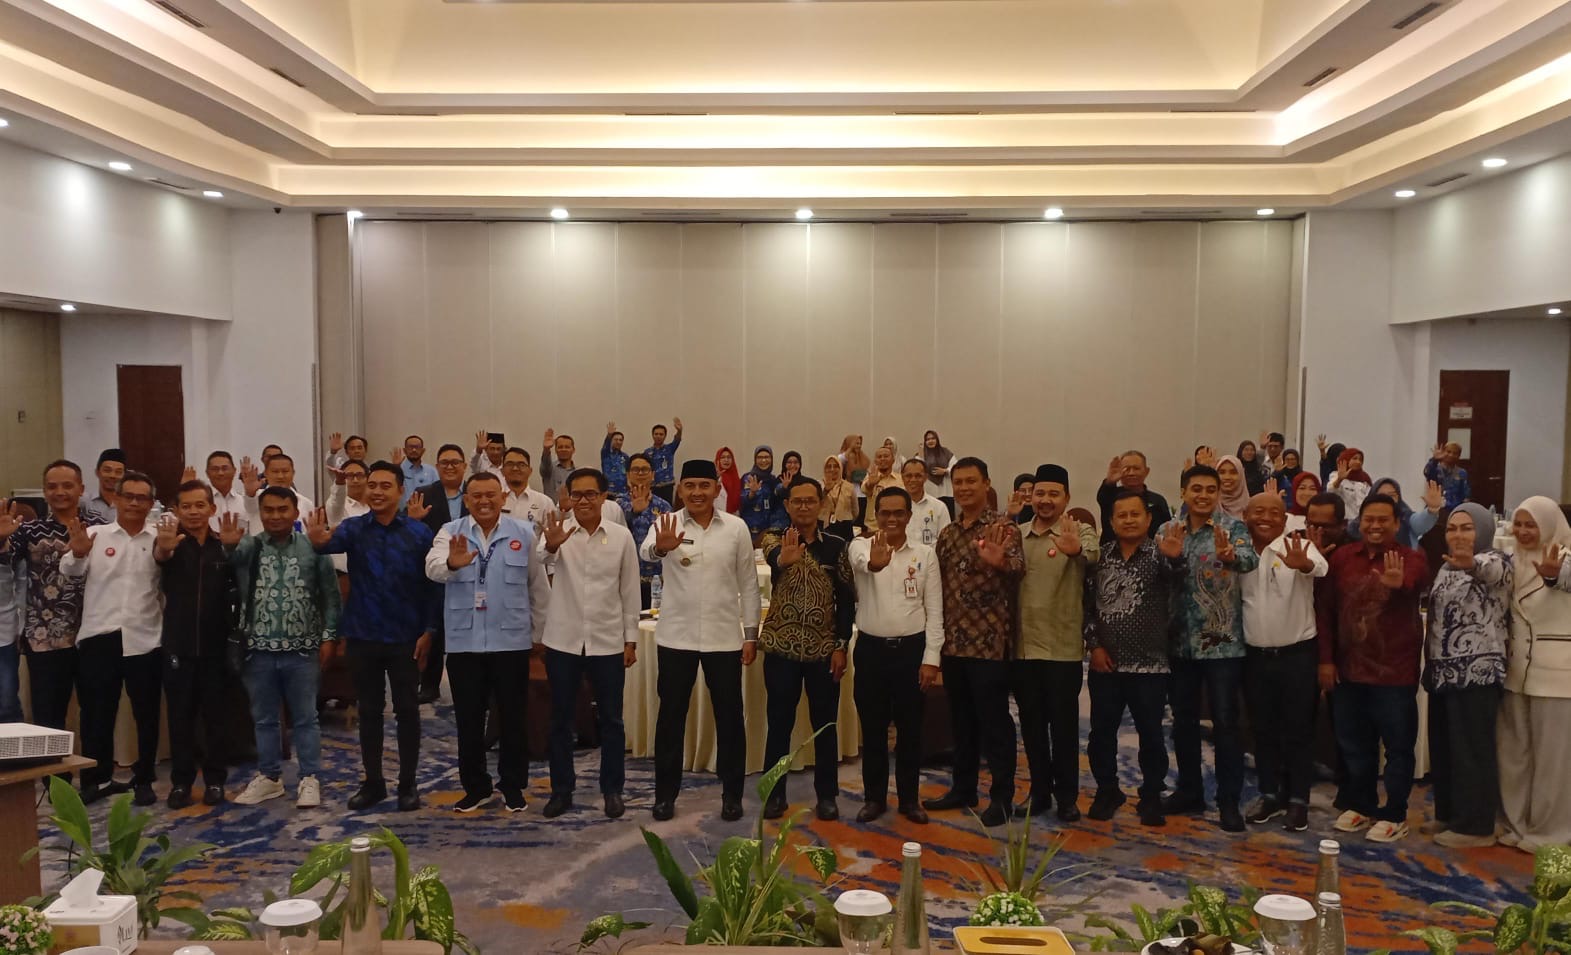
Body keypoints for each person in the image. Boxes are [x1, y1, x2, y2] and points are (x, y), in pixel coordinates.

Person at [308, 461, 439, 812]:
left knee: (407, 711)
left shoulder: (419, 533)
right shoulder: (354, 528)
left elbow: (431, 587)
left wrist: (429, 631)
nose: (377, 491)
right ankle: (373, 783)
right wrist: (316, 540)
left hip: (405, 636)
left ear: (401, 491)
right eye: (372, 485)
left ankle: (408, 784)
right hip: (362, 634)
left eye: (385, 486)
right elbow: (324, 545)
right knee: (368, 712)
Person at [640, 459, 762, 822]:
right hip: (676, 637)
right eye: (690, 485)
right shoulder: (667, 522)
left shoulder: (736, 528)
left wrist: (751, 634)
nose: (697, 492)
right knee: (670, 719)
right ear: (680, 489)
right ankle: (665, 796)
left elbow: (749, 584)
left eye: (704, 485)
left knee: (730, 719)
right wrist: (661, 549)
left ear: (716, 490)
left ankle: (732, 795)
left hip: (724, 639)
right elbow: (646, 551)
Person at [425, 471, 547, 814]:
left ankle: (513, 786)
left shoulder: (523, 533)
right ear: (466, 500)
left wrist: (540, 636)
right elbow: (431, 567)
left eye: (490, 495)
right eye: (476, 495)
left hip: (511, 641)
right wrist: (452, 563)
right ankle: (475, 787)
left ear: (503, 498)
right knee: (468, 719)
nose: (484, 501)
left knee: (512, 718)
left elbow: (538, 587)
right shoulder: (450, 532)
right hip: (464, 642)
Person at [1316, 493, 1428, 843]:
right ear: (1359, 522)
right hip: (1349, 670)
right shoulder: (1343, 558)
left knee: (1397, 747)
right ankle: (1361, 805)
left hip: (1394, 672)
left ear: (1397, 523)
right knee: (1355, 744)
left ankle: (1394, 813)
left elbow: (1416, 581)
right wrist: (1326, 659)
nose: (1375, 526)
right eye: (1369, 519)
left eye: (1383, 520)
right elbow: (1326, 610)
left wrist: (1399, 584)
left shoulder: (1411, 557)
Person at [1159, 464, 1259, 832]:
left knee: (1225, 723)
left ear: (1218, 494)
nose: (1203, 495)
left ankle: (1229, 801)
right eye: (1196, 489)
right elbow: (1156, 575)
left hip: (1221, 644)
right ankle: (1190, 791)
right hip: (1179, 641)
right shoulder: (1168, 530)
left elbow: (1249, 560)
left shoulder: (1232, 528)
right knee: (1182, 721)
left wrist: (1230, 556)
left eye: (1210, 489)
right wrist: (1170, 559)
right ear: (1183, 492)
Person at [226, 487, 339, 809]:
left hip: (302, 650)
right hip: (257, 650)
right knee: (264, 720)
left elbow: (331, 597)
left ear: (295, 512)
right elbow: (227, 565)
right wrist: (228, 545)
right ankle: (269, 777)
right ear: (260, 513)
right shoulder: (249, 547)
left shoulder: (313, 548)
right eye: (269, 510)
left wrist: (329, 637)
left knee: (305, 718)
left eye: (282, 509)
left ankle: (309, 778)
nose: (275, 516)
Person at [927, 457, 1024, 827]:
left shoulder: (1003, 528)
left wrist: (1000, 562)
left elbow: (1018, 570)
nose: (965, 488)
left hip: (988, 644)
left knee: (994, 723)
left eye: (972, 481)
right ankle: (963, 788)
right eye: (959, 482)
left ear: (986, 484)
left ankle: (1001, 797)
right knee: (961, 721)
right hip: (953, 644)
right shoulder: (948, 533)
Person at [60, 470, 164, 806]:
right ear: (116, 498)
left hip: (145, 637)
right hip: (99, 635)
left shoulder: (159, 540)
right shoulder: (95, 534)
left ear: (151, 503)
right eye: (128, 496)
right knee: (96, 713)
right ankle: (96, 779)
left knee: (146, 713)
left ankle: (144, 778)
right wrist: (78, 553)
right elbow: (69, 571)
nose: (134, 503)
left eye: (141, 498)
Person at [539, 469, 639, 818]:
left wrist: (630, 639)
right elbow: (540, 559)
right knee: (560, 720)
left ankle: (612, 790)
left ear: (603, 497)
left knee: (611, 720)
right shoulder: (558, 531)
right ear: (568, 498)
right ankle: (561, 791)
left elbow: (630, 590)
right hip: (563, 640)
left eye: (590, 494)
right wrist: (552, 544)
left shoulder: (621, 536)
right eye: (576, 495)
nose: (583, 501)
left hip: (607, 640)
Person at [758, 478, 854, 821]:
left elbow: (846, 601)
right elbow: (773, 556)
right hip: (781, 650)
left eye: (809, 501)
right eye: (796, 501)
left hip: (823, 650)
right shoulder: (775, 538)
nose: (803, 506)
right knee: (778, 724)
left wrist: (841, 645)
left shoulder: (837, 547)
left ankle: (827, 796)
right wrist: (783, 559)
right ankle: (774, 795)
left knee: (824, 726)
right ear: (787, 505)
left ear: (821, 504)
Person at [1086, 490, 1183, 827]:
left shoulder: (1160, 554)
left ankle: (1151, 795)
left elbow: (1179, 583)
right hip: (1106, 665)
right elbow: (1087, 605)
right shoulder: (1100, 557)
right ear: (1112, 522)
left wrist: (1175, 560)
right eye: (1121, 515)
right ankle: (1107, 790)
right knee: (1101, 734)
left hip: (1150, 665)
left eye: (1135, 514)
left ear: (1148, 519)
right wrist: (1094, 646)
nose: (1128, 520)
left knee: (1152, 736)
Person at [848, 486, 943, 824]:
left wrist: (932, 658)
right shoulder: (860, 546)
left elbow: (935, 611)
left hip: (911, 653)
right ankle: (874, 798)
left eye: (898, 513)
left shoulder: (925, 555)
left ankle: (909, 800)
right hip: (871, 652)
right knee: (873, 730)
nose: (892, 519)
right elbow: (861, 562)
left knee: (910, 731)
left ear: (909, 515)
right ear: (876, 515)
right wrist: (875, 564)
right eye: (885, 513)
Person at [1422, 502, 1511, 848]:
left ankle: (1476, 827)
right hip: (1443, 673)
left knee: (1472, 751)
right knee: (1445, 750)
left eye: (1467, 528)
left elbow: (1490, 572)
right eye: (1452, 528)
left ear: (1484, 530)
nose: (1458, 535)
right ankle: (1449, 814)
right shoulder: (1446, 567)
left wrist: (1471, 563)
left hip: (1477, 673)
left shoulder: (1497, 560)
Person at [1013, 464, 1098, 821]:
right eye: (1040, 493)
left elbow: (1092, 555)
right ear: (1030, 497)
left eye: (1053, 494)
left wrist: (1075, 550)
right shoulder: (1017, 534)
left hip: (1062, 648)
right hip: (1023, 647)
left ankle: (1067, 797)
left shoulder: (1079, 529)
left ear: (1066, 497)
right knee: (1032, 727)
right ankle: (1039, 792)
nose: (1045, 500)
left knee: (1063, 728)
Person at [1239, 492, 1327, 833]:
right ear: (1246, 516)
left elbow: (1320, 567)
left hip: (1297, 656)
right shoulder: (1240, 552)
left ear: (1284, 518)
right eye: (1258, 511)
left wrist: (1302, 564)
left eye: (1273, 512)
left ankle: (1299, 800)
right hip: (1255, 658)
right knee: (1262, 730)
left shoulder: (1298, 544)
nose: (1265, 517)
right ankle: (1270, 794)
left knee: (1298, 730)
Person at [0, 463, 103, 738]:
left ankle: (95, 768)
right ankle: (52, 768)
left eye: (67, 485)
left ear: (81, 489)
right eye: (52, 486)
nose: (60, 492)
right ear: (44, 491)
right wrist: (0, 540)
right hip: (44, 637)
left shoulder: (100, 528)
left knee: (97, 713)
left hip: (92, 633)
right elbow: (6, 561)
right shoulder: (29, 530)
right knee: (48, 717)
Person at [155, 480, 241, 809]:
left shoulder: (223, 545)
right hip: (178, 645)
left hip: (217, 647)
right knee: (180, 719)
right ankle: (181, 783)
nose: (193, 512)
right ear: (176, 510)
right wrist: (164, 548)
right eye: (186, 506)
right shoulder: (171, 543)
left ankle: (216, 781)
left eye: (199, 505)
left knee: (216, 718)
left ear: (212, 508)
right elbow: (160, 556)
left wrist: (233, 552)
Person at [1499, 497, 1571, 852]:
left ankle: (1551, 833)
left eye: (1532, 525)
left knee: (1553, 762)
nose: (1524, 532)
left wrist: (1555, 576)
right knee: (1514, 755)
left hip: (1557, 677)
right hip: (1515, 673)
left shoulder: (1565, 556)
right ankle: (1516, 823)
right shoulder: (1511, 559)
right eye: (1519, 524)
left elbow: (1564, 578)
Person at [408, 445, 468, 704]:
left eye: (455, 462)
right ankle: (429, 684)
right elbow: (407, 533)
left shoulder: (475, 493)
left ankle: (468, 686)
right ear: (437, 466)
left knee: (466, 631)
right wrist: (413, 521)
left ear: (465, 466)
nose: (450, 467)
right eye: (444, 462)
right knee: (432, 629)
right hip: (431, 573)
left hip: (469, 572)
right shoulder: (423, 494)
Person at [618, 453, 673, 610]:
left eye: (645, 469)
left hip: (658, 581)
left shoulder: (664, 506)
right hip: (627, 579)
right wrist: (633, 511)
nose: (640, 473)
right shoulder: (618, 504)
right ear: (628, 475)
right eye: (636, 470)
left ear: (653, 474)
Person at [1096, 451, 1172, 544]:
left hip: (1151, 550)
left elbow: (1166, 529)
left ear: (1146, 471)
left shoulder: (1157, 501)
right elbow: (1102, 497)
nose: (1131, 473)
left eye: (1136, 468)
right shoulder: (1110, 496)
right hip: (1112, 551)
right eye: (1126, 469)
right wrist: (1110, 481)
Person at [242, 454, 314, 531]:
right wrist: (250, 492)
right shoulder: (255, 497)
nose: (280, 476)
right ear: (265, 473)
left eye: (285, 471)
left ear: (293, 473)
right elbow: (249, 504)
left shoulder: (306, 503)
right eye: (275, 471)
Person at [500, 447, 554, 529]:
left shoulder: (545, 502)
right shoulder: (493, 499)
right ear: (502, 471)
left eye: (521, 465)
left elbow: (551, 533)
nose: (515, 468)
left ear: (530, 471)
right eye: (510, 464)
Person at [900, 459, 950, 545]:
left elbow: (946, 540)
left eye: (918, 476)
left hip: (931, 553)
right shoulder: (894, 506)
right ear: (902, 477)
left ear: (925, 477)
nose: (913, 480)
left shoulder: (939, 507)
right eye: (908, 476)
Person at [741, 446, 785, 541]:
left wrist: (784, 489)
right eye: (760, 457)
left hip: (767, 530)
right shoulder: (748, 478)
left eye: (767, 457)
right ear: (755, 460)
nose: (763, 460)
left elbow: (776, 502)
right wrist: (752, 493)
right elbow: (741, 501)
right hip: (749, 528)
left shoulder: (773, 480)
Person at [204, 450, 249, 533]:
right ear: (207, 473)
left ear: (234, 471)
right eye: (215, 469)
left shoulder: (245, 502)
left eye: (225, 468)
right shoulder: (201, 504)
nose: (220, 473)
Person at [81, 448, 127, 523]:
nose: (112, 476)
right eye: (107, 470)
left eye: (118, 472)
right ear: (97, 472)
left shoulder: (129, 504)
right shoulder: (84, 501)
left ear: (124, 475)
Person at [820, 455, 859, 541]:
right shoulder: (819, 486)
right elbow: (816, 506)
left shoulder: (849, 487)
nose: (832, 469)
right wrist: (825, 491)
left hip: (845, 527)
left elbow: (855, 511)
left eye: (836, 466)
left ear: (840, 468)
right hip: (824, 526)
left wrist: (845, 518)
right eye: (829, 466)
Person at [646, 419, 684, 504]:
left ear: (665, 436)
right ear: (652, 435)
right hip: (653, 487)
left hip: (667, 486)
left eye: (661, 434)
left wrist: (679, 431)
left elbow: (677, 440)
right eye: (656, 434)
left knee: (667, 508)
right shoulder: (647, 452)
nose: (658, 436)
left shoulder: (670, 449)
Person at [1424, 442, 1471, 509]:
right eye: (1448, 452)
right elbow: (1427, 472)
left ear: (1459, 456)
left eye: (1455, 453)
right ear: (1443, 452)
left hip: (1454, 509)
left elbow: (1466, 495)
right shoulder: (1435, 469)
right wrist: (1434, 459)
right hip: (1435, 508)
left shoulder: (1462, 473)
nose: (1451, 455)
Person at [919, 430, 956, 516]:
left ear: (937, 440)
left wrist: (945, 471)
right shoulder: (922, 455)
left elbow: (955, 467)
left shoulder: (946, 452)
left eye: (933, 438)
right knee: (931, 518)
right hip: (930, 491)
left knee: (948, 517)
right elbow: (918, 469)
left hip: (946, 491)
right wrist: (921, 455)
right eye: (928, 439)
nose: (930, 441)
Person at [396, 435, 439, 505]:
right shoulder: (397, 469)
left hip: (427, 510)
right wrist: (395, 467)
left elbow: (438, 494)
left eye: (417, 447)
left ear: (423, 451)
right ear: (404, 450)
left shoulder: (432, 471)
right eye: (410, 447)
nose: (414, 450)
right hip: (402, 511)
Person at [1329, 447, 1372, 516]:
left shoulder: (1365, 479)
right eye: (1354, 458)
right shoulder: (1336, 475)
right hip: (1346, 520)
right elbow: (1331, 491)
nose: (1358, 462)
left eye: (1360, 460)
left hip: (1363, 518)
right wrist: (1339, 480)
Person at [539, 429, 577, 502]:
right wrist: (546, 449)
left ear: (573, 450)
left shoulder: (578, 473)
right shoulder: (549, 469)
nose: (563, 449)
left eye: (567, 447)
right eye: (560, 447)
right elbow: (545, 464)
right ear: (555, 450)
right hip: (551, 508)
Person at [1214, 455, 1250, 520]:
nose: (1227, 477)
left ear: (1241, 475)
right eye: (1222, 472)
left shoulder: (1252, 507)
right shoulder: (1209, 506)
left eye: (1233, 472)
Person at [602, 423, 630, 497]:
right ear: (611, 441)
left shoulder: (625, 456)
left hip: (623, 493)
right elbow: (606, 445)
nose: (618, 442)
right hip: (609, 492)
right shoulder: (605, 454)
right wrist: (609, 435)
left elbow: (628, 472)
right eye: (616, 439)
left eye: (620, 440)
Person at [715, 447, 742, 515]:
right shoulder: (713, 478)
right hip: (718, 515)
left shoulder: (736, 479)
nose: (726, 460)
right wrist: (716, 479)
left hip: (734, 516)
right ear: (718, 460)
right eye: (722, 457)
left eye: (729, 457)